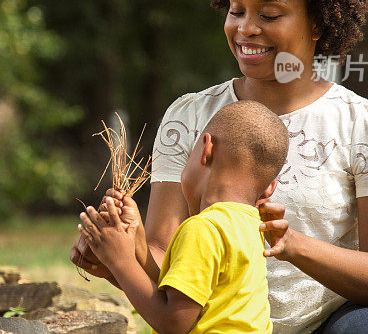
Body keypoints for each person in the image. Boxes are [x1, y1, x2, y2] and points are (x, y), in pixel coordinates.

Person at [71, 0, 368, 333]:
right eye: (236, 9)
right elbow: (172, 268)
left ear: (317, 23)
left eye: (270, 13)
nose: (245, 28)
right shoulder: (190, 117)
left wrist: (292, 244)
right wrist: (125, 253)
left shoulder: (366, 124)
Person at [79, 100, 289, 334]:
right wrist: (133, 247)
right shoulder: (252, 224)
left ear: (206, 149)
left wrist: (121, 261)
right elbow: (184, 294)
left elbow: (174, 323)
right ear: (269, 187)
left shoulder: (203, 228)